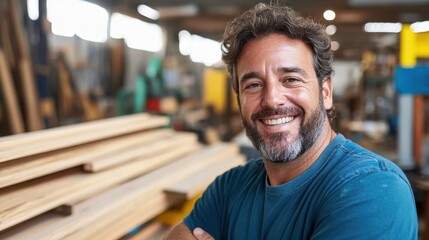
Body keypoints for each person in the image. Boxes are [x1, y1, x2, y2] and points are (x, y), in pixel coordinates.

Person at [164, 3, 418, 239]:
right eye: (253, 85)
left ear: (326, 91)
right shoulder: (229, 188)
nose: (272, 100)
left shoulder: (374, 189)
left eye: (291, 79)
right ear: (239, 99)